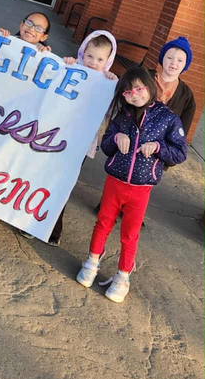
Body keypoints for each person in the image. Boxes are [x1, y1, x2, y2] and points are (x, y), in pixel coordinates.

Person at [76, 66, 187, 303]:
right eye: (127, 92)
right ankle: (93, 260)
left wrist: (158, 148)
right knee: (103, 222)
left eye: (138, 89)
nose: (134, 95)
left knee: (130, 233)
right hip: (114, 182)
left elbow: (180, 152)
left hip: (141, 189)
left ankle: (123, 275)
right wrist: (117, 137)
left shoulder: (168, 118)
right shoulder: (122, 116)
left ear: (150, 86)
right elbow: (106, 145)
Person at [43, 30, 118, 244]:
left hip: (80, 143)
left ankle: (53, 230)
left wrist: (113, 85)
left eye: (100, 59)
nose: (93, 62)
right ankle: (32, 219)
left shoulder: (107, 84)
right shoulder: (71, 69)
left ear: (108, 61)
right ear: (82, 53)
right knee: (43, 176)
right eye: (90, 56)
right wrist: (66, 65)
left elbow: (112, 112)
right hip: (54, 134)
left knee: (62, 183)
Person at [151, 37, 195, 138]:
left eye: (180, 60)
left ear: (185, 64)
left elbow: (181, 133)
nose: (174, 63)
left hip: (161, 144)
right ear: (163, 58)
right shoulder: (145, 79)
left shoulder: (186, 96)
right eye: (170, 58)